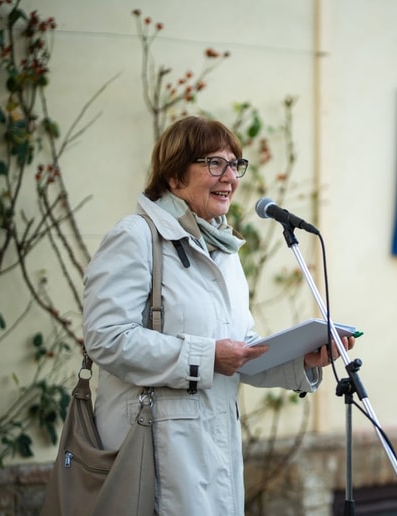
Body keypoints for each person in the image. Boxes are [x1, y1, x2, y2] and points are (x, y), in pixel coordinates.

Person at [82, 115, 354, 514]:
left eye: (235, 164)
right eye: (214, 163)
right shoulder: (136, 236)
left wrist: (302, 360)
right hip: (152, 452)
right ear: (174, 177)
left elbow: (238, 354)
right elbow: (106, 337)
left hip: (216, 451)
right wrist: (206, 357)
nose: (230, 176)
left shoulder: (223, 250)